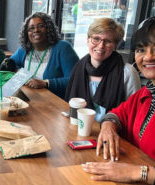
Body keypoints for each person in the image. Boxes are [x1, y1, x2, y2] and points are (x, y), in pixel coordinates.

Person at [82, 17, 155, 184]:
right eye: (141, 49)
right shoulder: (145, 93)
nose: (148, 57)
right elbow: (116, 114)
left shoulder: (127, 73)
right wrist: (108, 127)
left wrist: (139, 172)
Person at [65, 18, 140, 122]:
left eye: (108, 41)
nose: (101, 46)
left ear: (115, 45)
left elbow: (134, 113)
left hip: (112, 132)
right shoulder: (79, 67)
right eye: (96, 39)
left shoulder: (128, 72)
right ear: (88, 40)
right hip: (79, 127)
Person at [10, 12, 79, 99]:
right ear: (26, 33)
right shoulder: (24, 49)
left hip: (54, 102)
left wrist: (46, 83)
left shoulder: (62, 48)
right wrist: (22, 75)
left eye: (40, 26)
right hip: (29, 97)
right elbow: (11, 64)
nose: (36, 30)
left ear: (49, 29)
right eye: (31, 28)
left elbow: (75, 79)